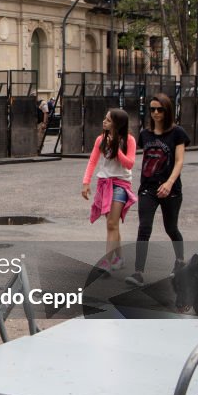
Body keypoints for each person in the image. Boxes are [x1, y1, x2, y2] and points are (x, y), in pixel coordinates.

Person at [124, 94, 189, 287]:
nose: (155, 113)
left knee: (171, 228)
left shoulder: (178, 133)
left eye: (159, 109)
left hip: (171, 188)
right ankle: (138, 272)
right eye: (152, 109)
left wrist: (168, 183)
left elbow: (179, 161)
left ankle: (180, 262)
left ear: (167, 110)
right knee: (144, 228)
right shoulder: (145, 134)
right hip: (148, 188)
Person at [81, 108, 137, 273]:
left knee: (112, 224)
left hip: (121, 184)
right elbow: (92, 162)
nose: (104, 122)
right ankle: (119, 258)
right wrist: (86, 183)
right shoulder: (100, 139)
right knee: (113, 225)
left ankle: (107, 262)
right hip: (105, 184)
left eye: (108, 120)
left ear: (117, 124)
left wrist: (117, 148)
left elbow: (130, 164)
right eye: (105, 119)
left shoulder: (129, 140)